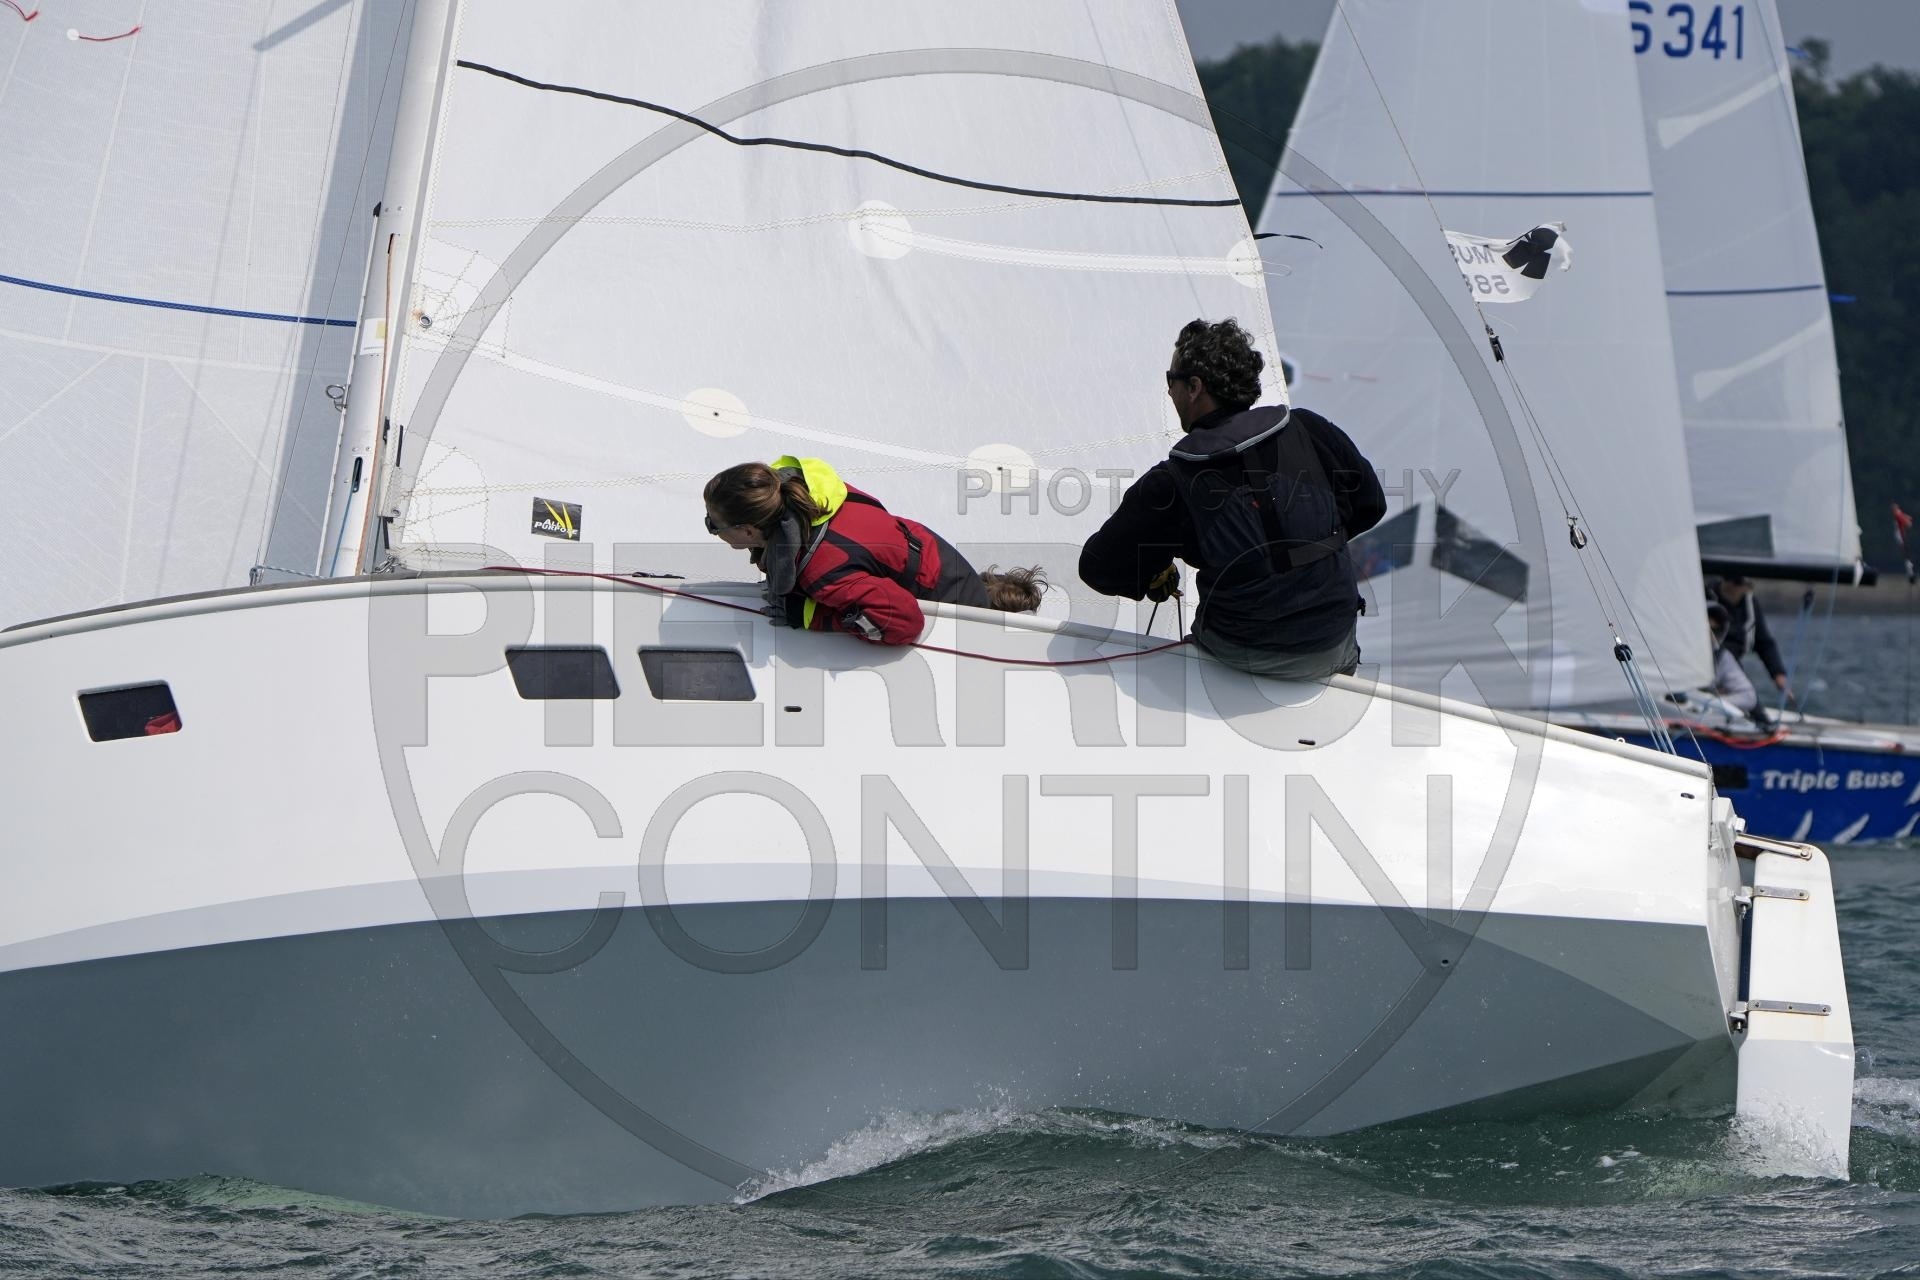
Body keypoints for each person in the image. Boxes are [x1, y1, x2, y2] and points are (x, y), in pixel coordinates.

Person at [1078, 318, 1385, 680]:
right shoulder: (1308, 429)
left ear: (1195, 387)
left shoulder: (1172, 481)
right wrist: (1305, 547)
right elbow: (1370, 505)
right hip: (1330, 647)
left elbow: (1098, 568)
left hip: (1240, 653)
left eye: (1171, 380)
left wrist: (1152, 571)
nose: (1169, 391)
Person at [704, 455, 1044, 645]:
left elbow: (904, 623)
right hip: (931, 557)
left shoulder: (822, 571)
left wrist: (813, 617)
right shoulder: (806, 493)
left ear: (749, 530)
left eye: (713, 525)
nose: (710, 528)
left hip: (955, 607)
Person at [1708, 574, 1790, 699]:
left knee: (1751, 701)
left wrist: (1778, 674)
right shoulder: (1705, 596)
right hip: (1704, 667)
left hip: (1731, 669)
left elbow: (1764, 643)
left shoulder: (1750, 604)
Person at [1706, 602, 1759, 713]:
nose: (1711, 635)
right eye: (1707, 628)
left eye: (1716, 630)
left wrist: (1712, 700)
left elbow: (1748, 697)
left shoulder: (1721, 657)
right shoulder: (1675, 650)